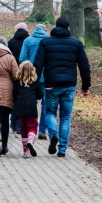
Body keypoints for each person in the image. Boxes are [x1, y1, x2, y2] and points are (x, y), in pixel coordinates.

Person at [34, 16, 92, 157]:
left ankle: (53, 133)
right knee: (65, 116)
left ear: (55, 27)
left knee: (49, 112)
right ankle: (62, 149)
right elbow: (84, 66)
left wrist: (34, 83)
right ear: (68, 28)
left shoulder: (45, 42)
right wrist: (85, 86)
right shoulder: (76, 43)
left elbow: (38, 64)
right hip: (69, 84)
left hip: (51, 84)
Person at [17, 23, 50, 145]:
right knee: (46, 105)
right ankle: (42, 131)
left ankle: (25, 128)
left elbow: (22, 58)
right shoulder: (48, 40)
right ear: (45, 30)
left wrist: (29, 68)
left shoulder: (27, 40)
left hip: (31, 76)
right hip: (45, 76)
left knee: (30, 102)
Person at [12, 61, 41, 157]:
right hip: (31, 107)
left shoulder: (16, 82)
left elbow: (14, 95)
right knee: (32, 126)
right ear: (32, 71)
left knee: (23, 128)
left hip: (20, 108)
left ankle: (25, 151)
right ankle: (30, 141)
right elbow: (40, 95)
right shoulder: (35, 82)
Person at [7, 23, 31, 133]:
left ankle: (14, 123)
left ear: (16, 30)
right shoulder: (29, 42)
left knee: (14, 99)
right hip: (27, 73)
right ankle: (22, 125)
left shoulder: (11, 42)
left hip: (14, 74)